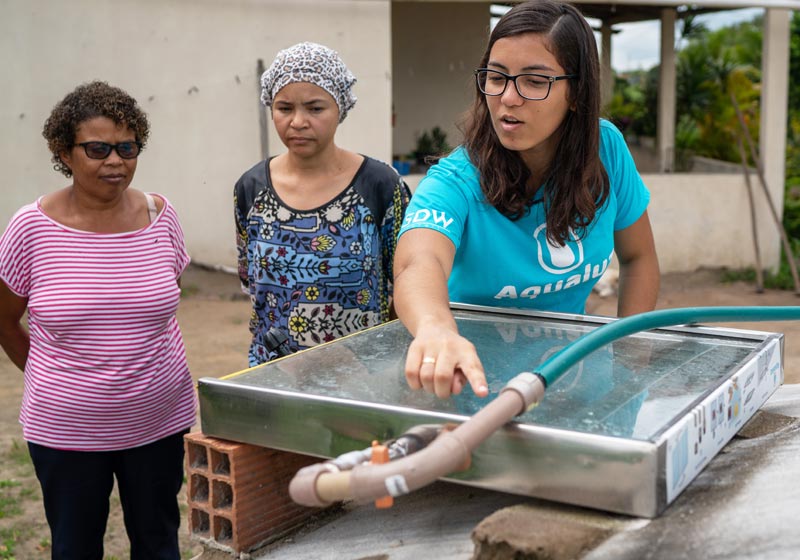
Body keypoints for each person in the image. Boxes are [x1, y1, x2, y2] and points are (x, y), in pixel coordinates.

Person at [393, 0, 660, 399]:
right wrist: (435, 328)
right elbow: (418, 262)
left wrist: (628, 357)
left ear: (576, 92)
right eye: (496, 77)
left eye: (535, 81)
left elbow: (639, 259)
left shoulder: (606, 150)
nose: (508, 98)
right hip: (470, 386)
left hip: (571, 380)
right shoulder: (457, 179)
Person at [0, 81, 196, 559]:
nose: (115, 161)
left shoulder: (160, 216)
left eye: (127, 148)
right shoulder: (31, 228)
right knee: (75, 548)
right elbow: (4, 320)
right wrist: (55, 377)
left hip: (159, 422)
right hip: (66, 433)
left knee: (158, 543)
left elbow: (157, 308)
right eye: (97, 148)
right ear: (64, 153)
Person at [235, 42, 411, 366]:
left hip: (361, 378)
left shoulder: (380, 186)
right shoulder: (251, 188)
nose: (298, 121)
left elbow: (408, 281)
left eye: (315, 108)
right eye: (284, 108)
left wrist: (377, 351)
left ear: (339, 108)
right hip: (274, 376)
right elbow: (250, 281)